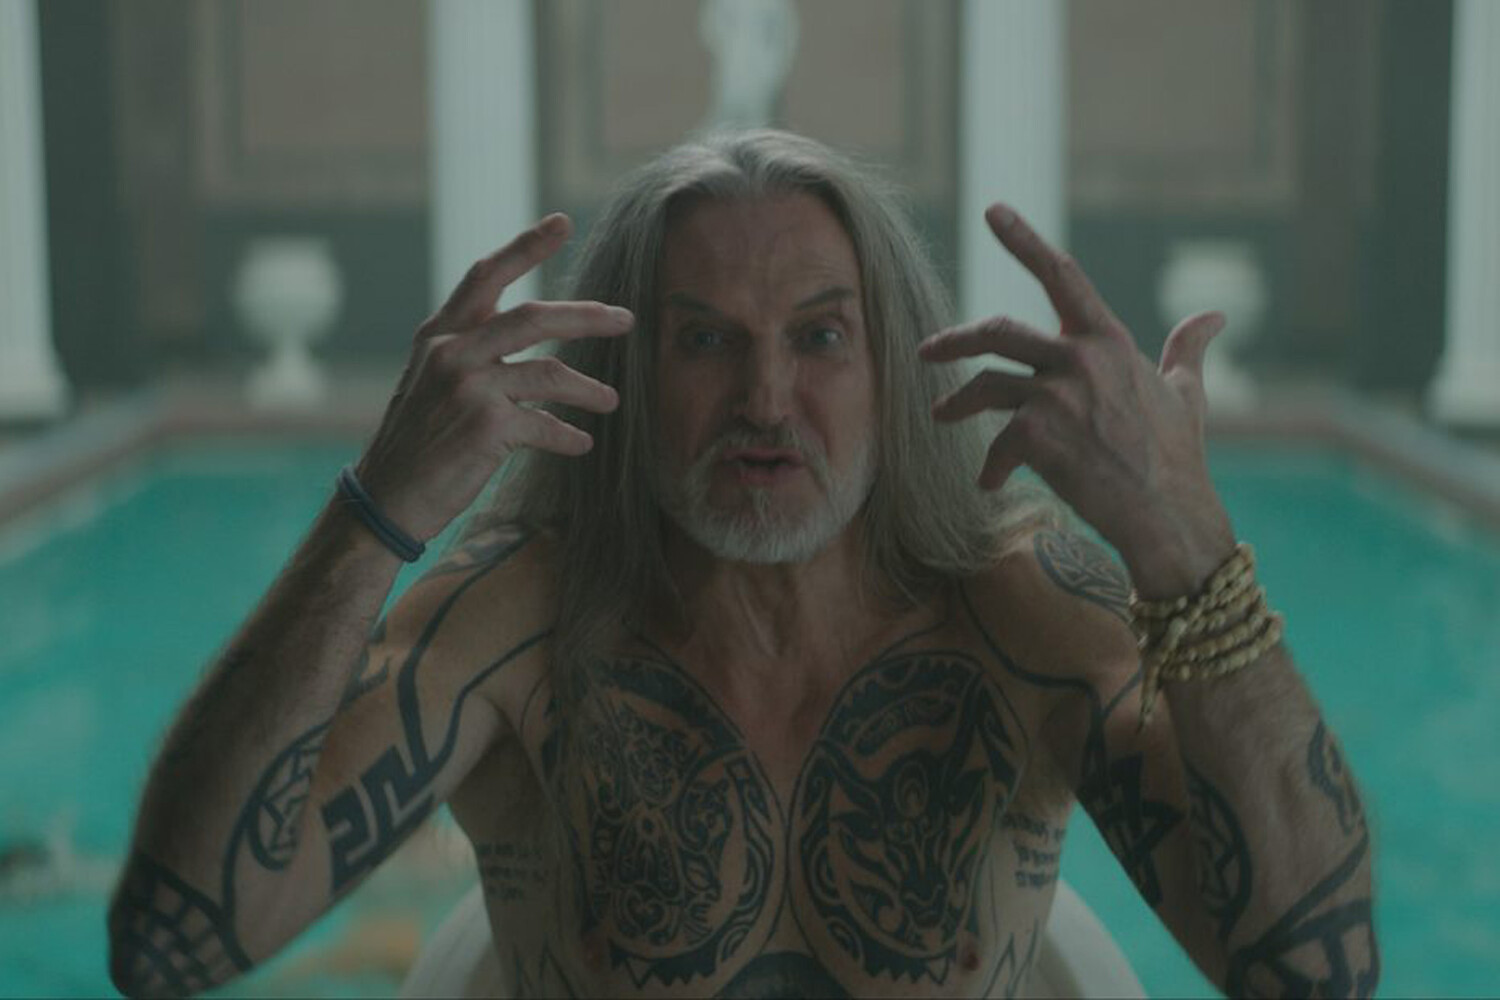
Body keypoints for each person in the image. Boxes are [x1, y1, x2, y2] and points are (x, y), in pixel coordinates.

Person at [107, 130, 1377, 999]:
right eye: (706, 340)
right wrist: (376, 508)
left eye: (819, 336)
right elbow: (171, 947)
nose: (767, 399)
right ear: (622, 374)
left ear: (893, 364)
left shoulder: (1016, 610)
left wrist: (1181, 538)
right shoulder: (518, 620)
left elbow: (1317, 975)